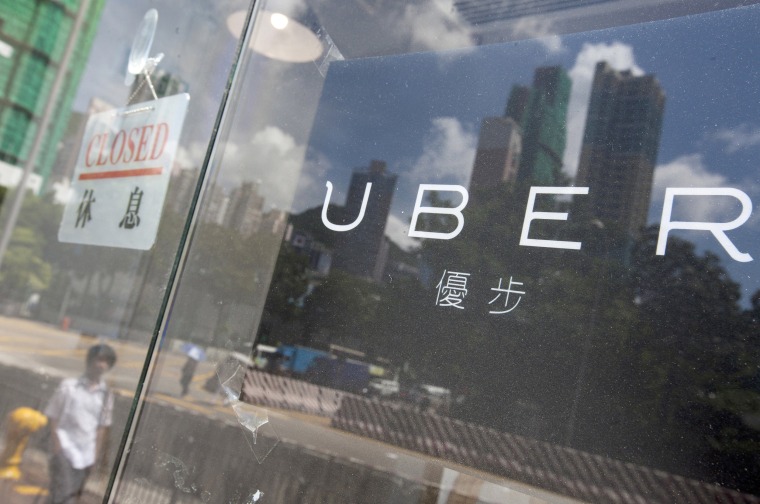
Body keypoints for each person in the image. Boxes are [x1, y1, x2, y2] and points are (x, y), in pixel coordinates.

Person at [44, 344, 116, 504]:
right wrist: (58, 447)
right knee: (65, 497)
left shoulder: (106, 396)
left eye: (106, 362)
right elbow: (53, 415)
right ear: (89, 360)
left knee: (63, 496)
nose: (101, 365)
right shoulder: (69, 387)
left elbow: (102, 427)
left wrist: (95, 456)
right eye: (98, 360)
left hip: (86, 455)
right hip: (65, 450)